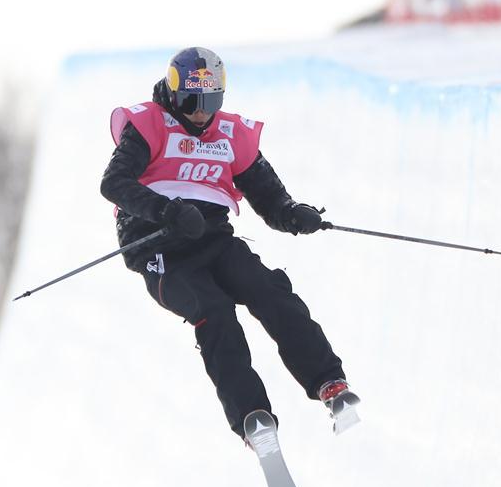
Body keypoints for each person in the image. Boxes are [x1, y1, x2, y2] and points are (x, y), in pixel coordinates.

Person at [101, 47, 358, 442]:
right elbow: (114, 183)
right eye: (191, 101)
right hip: (158, 248)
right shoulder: (148, 125)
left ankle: (330, 383)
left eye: (211, 102)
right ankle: (253, 416)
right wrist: (166, 210)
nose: (201, 113)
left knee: (269, 291)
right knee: (213, 310)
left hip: (213, 239)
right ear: (172, 93)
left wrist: (292, 214)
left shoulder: (229, 134)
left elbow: (267, 195)